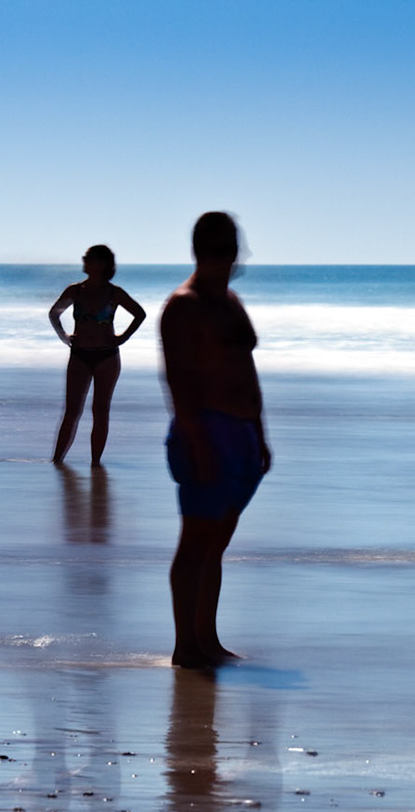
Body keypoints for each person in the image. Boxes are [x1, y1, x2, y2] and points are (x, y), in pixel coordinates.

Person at [160, 213, 269, 668]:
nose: (230, 261)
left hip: (241, 434)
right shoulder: (182, 305)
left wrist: (259, 433)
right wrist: (197, 441)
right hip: (205, 430)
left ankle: (208, 638)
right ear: (206, 252)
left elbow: (247, 368)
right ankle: (186, 645)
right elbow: (177, 382)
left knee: (217, 544)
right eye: (223, 252)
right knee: (196, 541)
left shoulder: (231, 301)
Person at [48, 245, 145, 465]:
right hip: (79, 355)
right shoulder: (75, 290)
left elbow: (140, 314)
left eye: (88, 258)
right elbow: (54, 313)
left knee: (100, 410)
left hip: (107, 357)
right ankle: (56, 461)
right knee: (72, 410)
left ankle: (95, 463)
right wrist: (63, 335)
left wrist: (123, 337)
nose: (83, 260)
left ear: (101, 264)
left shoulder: (114, 293)